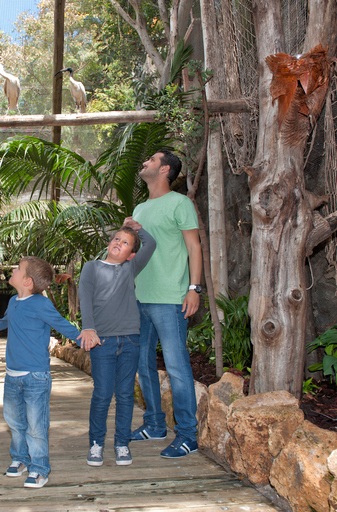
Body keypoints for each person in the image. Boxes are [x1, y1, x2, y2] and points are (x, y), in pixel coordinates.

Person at [130, 149, 203, 458]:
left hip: (171, 299)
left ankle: (187, 435)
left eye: (151, 159)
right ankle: (155, 424)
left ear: (164, 170)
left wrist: (194, 288)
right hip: (138, 298)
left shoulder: (180, 203)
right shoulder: (140, 208)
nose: (144, 161)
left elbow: (194, 247)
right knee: (142, 363)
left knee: (176, 367)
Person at [0, 257, 86, 488]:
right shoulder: (13, 301)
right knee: (14, 422)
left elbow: (61, 323)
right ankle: (20, 458)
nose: (13, 269)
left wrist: (83, 337)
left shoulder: (41, 304)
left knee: (36, 426)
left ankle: (39, 468)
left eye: (17, 268)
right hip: (12, 375)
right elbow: (6, 322)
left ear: (27, 281)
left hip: (36, 376)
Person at [78, 221, 156, 467]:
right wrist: (88, 327)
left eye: (125, 243)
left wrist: (138, 228)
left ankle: (122, 443)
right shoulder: (91, 267)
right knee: (102, 394)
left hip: (131, 339)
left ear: (131, 254)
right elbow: (85, 297)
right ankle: (96, 443)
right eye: (116, 239)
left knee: (124, 395)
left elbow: (151, 244)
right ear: (109, 244)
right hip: (103, 341)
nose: (118, 243)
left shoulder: (130, 268)